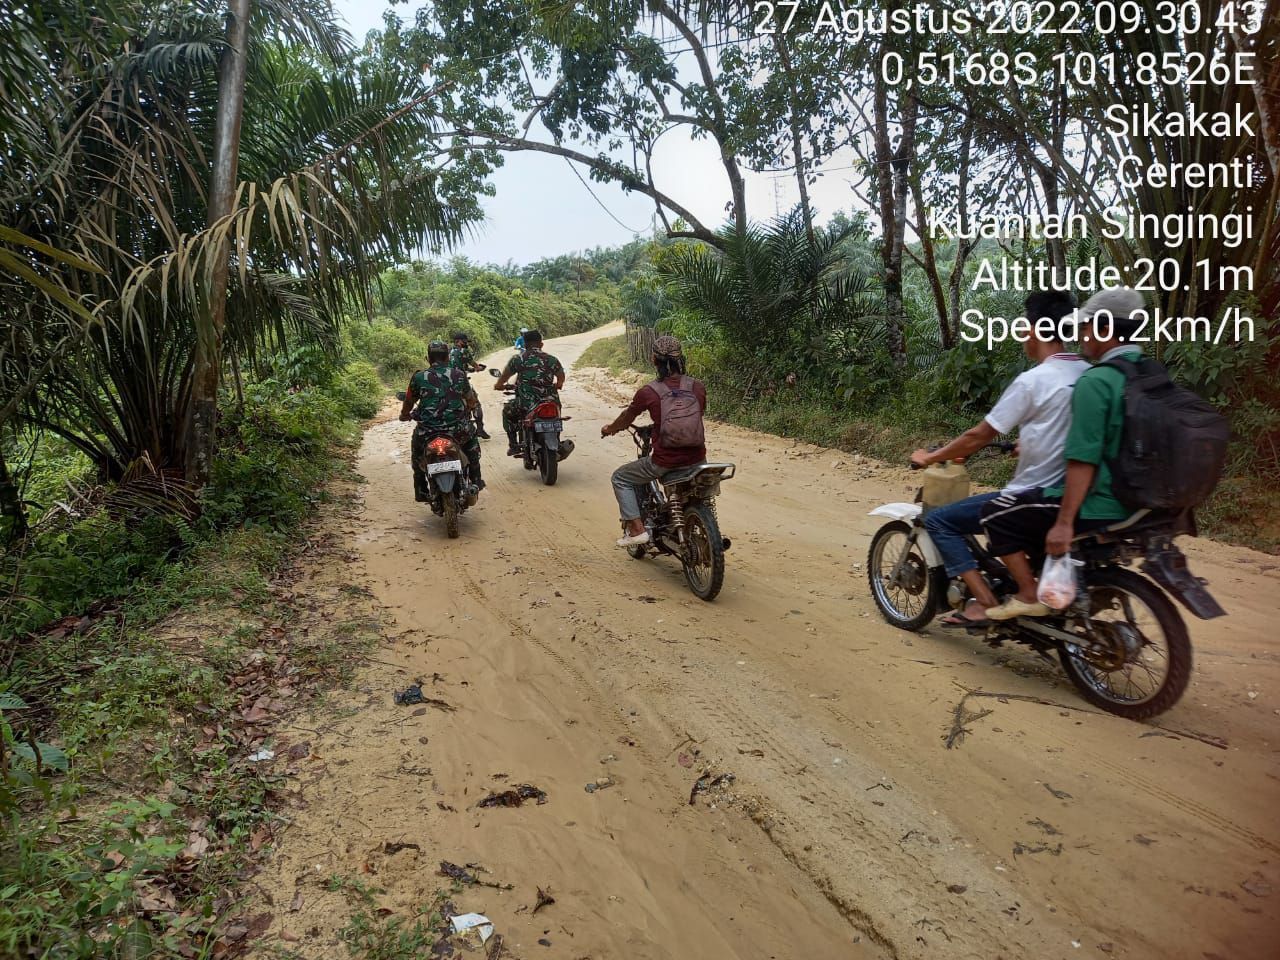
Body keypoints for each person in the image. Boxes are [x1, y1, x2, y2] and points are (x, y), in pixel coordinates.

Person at [911, 289, 1085, 626]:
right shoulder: (1085, 373)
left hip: (1033, 494)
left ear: (1034, 330)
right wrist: (1032, 441)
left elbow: (978, 436)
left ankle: (984, 602)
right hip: (1072, 493)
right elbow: (1069, 427)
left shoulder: (1033, 381)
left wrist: (933, 456)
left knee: (940, 521)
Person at [980, 287, 1147, 620]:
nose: (1080, 335)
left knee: (994, 514)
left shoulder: (1096, 381)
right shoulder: (1147, 373)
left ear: (1104, 330)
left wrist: (1064, 523)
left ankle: (1028, 595)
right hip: (1141, 496)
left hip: (1103, 499)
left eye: (1085, 327)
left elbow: (1083, 457)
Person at [601, 335, 707, 548]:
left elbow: (627, 418)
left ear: (653, 360)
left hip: (665, 460)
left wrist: (610, 429)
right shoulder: (697, 387)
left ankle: (637, 531)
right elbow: (696, 414)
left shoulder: (649, 391)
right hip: (698, 459)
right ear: (680, 358)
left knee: (620, 477)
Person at [400, 340, 484, 499]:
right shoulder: (459, 374)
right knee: (471, 443)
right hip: (457, 431)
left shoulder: (419, 377)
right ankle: (477, 479)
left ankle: (421, 489)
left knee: (417, 453)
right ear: (447, 358)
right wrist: (469, 409)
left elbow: (409, 402)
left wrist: (404, 415)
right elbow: (471, 400)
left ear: (428, 359)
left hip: (428, 432)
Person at [493, 329, 565, 457]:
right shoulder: (551, 359)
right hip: (551, 401)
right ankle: (557, 441)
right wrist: (558, 385)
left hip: (526, 403)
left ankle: (514, 445)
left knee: (507, 412)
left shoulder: (518, 359)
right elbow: (561, 376)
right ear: (541, 344)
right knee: (556, 416)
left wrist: (499, 385)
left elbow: (504, 376)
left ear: (524, 344)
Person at [449, 332, 490, 439]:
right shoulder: (464, 351)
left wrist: (469, 369)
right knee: (476, 404)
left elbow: (458, 365)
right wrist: (478, 368)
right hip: (461, 383)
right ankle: (480, 429)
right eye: (464, 341)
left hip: (447, 384)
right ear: (458, 341)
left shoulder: (448, 352)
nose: (466, 343)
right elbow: (474, 364)